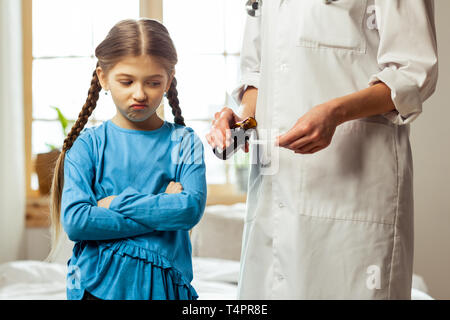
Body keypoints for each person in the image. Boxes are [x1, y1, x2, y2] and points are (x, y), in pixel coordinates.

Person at [206, 0, 438, 299]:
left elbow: (413, 72)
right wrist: (241, 121)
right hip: (275, 190)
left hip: (355, 192)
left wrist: (336, 112)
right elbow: (257, 74)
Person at [48, 19, 207, 300]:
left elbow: (189, 210)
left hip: (166, 288)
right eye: (127, 81)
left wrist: (114, 204)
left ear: (169, 81)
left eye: (153, 82)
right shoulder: (87, 145)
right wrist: (162, 209)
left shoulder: (185, 141)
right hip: (93, 287)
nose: (140, 94)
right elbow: (76, 222)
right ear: (103, 77)